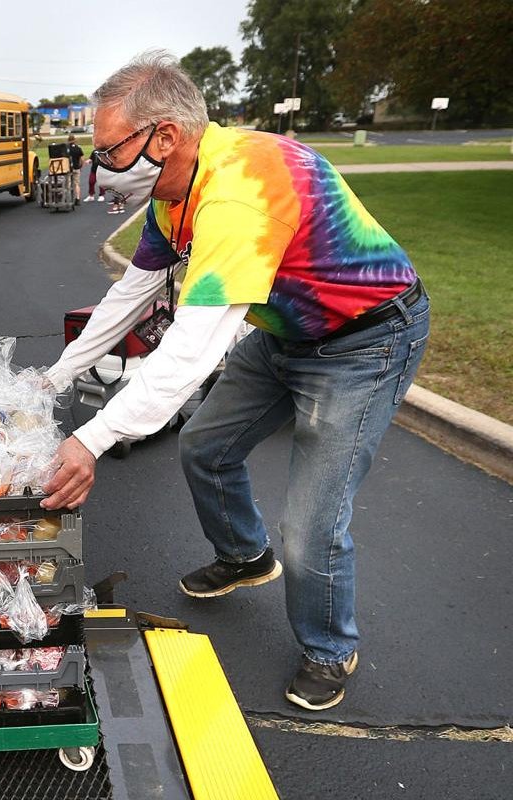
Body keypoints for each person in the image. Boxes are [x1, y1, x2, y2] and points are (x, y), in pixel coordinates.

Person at [41, 51, 429, 712]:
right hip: (287, 331)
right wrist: (51, 380)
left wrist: (92, 441)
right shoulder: (174, 189)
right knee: (205, 447)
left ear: (163, 136)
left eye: (108, 152)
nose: (99, 167)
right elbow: (130, 295)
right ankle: (246, 558)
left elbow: (191, 351)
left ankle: (329, 649)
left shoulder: (243, 187)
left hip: (366, 339)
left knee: (311, 524)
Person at [65, 134, 85, 201]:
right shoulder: (78, 148)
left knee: (68, 184)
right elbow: (82, 159)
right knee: (77, 184)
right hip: (76, 168)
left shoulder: (66, 148)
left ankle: (68, 199)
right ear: (74, 140)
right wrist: (81, 166)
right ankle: (78, 198)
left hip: (68, 168)